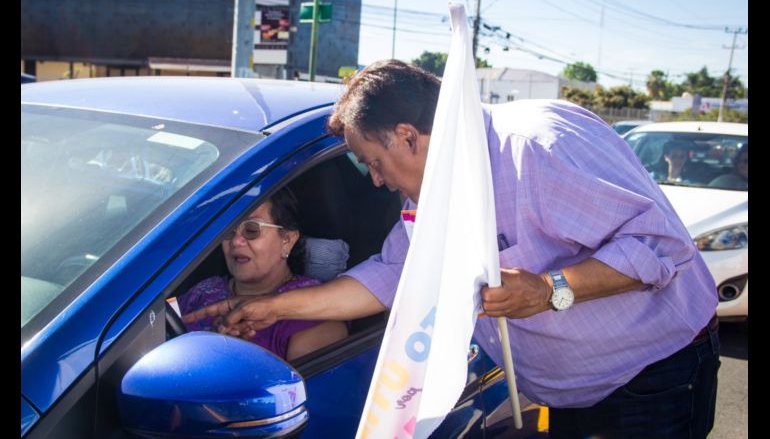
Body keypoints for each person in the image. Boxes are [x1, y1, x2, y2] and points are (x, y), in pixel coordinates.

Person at [184, 60, 720, 438]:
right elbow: (392, 274)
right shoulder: (429, 196)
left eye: (373, 162)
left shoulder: (536, 148)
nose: (376, 181)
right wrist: (275, 308)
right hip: (568, 393)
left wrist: (549, 288)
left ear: (407, 136)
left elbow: (661, 246)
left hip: (651, 381)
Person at [178, 187, 348, 361]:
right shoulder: (204, 289)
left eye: (251, 229)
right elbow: (165, 322)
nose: (236, 241)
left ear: (287, 240)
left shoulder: (314, 314)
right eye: (228, 230)